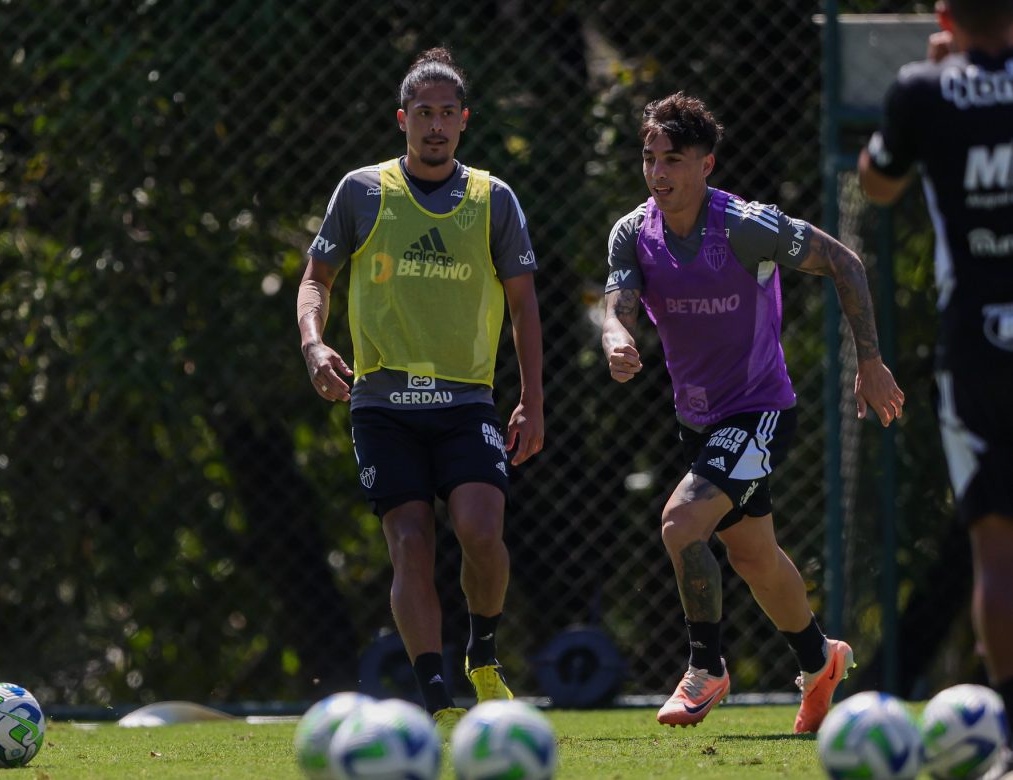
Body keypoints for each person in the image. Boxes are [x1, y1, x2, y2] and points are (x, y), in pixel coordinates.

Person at [602, 93, 905, 731]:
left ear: (707, 164)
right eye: (650, 159)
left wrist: (870, 361)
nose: (658, 174)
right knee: (753, 558)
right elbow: (619, 306)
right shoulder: (634, 233)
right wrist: (616, 338)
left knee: (682, 523)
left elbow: (843, 263)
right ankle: (819, 659)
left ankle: (705, 669)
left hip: (760, 411)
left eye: (674, 160)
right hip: (698, 422)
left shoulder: (744, 226)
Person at [295, 47, 544, 735]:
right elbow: (316, 279)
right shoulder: (363, 191)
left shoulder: (494, 199)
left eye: (447, 114)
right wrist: (315, 343)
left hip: (467, 401)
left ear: (464, 122)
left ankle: (483, 656)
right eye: (423, 114)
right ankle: (436, 701)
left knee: (481, 530)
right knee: (410, 541)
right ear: (402, 119)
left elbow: (525, 307)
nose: (435, 126)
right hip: (382, 402)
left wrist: (533, 400)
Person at [859, 0, 1013, 764]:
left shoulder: (924, 87)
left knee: (995, 546)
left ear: (947, 16)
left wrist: (943, 70)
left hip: (980, 341)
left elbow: (879, 186)